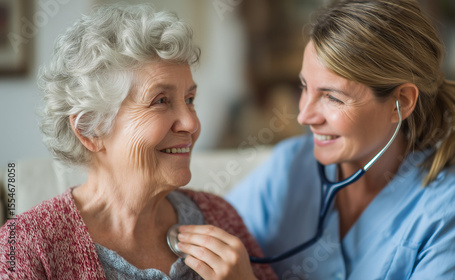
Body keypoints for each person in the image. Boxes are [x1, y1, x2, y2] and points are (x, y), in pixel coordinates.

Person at [0, 4, 277, 280]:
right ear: (90, 130)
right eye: (161, 101)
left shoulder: (220, 217)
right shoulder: (26, 247)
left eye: (189, 100)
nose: (192, 123)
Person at [227, 0, 455, 279]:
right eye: (305, 87)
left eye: (332, 97)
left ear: (401, 102)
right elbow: (208, 223)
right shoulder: (289, 165)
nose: (304, 117)